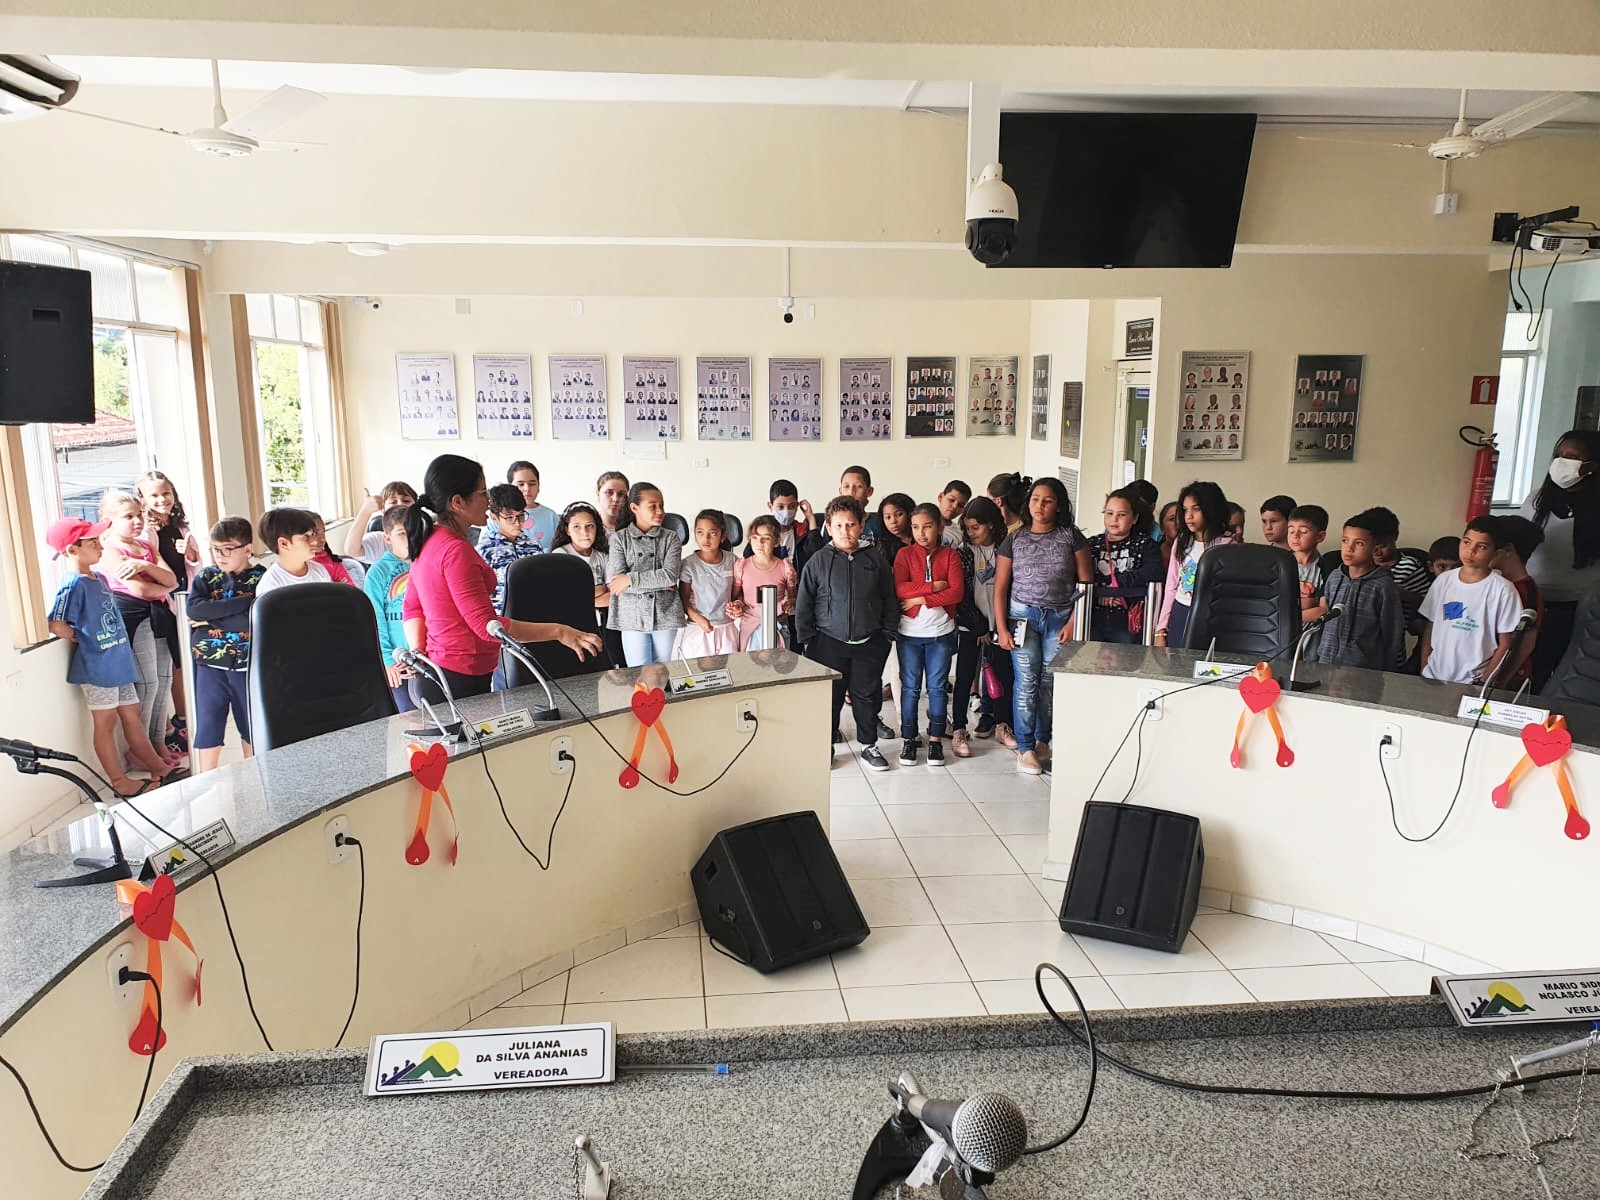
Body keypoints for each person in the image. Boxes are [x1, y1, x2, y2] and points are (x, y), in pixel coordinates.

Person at [402, 454, 600, 703]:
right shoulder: (454, 551)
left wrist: (420, 654)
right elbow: (486, 627)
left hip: (441, 672)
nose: (488, 501)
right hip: (460, 676)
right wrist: (560, 632)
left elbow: (412, 606)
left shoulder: (429, 540)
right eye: (482, 493)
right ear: (458, 502)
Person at [47, 517, 173, 797]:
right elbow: (56, 623)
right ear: (72, 550)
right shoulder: (73, 584)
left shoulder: (100, 577)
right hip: (98, 666)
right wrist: (79, 636)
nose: (98, 545)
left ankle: (158, 768)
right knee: (105, 723)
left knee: (132, 713)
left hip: (118, 661)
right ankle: (119, 782)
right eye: (91, 542)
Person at [994, 478, 1092, 775]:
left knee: (1050, 682)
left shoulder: (1071, 537)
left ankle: (1042, 741)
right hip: (1022, 618)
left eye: (1047, 500)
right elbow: (1000, 587)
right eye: (1035, 499)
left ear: (1059, 504)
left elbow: (1086, 582)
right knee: (1026, 682)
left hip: (1060, 618)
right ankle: (1024, 748)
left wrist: (1075, 621)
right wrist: (1001, 628)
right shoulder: (1015, 538)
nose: (1040, 506)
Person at [796, 496, 897, 772]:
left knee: (866, 696)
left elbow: (889, 599)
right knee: (830, 699)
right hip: (828, 643)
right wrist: (808, 640)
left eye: (851, 524)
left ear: (861, 524)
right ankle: (825, 746)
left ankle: (868, 745)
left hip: (869, 642)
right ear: (828, 526)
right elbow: (804, 604)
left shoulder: (875, 560)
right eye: (839, 525)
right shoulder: (817, 561)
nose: (845, 531)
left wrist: (886, 636)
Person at [96, 491, 180, 765]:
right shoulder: (110, 550)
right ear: (109, 521)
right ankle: (139, 749)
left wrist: (144, 564)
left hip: (159, 615)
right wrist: (161, 583)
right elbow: (139, 589)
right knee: (148, 684)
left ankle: (158, 741)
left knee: (164, 681)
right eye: (128, 517)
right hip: (134, 617)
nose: (136, 521)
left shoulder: (145, 547)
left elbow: (173, 581)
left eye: (139, 515)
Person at [187, 517, 267, 771]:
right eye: (215, 549)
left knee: (249, 725)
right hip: (209, 664)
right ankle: (204, 777)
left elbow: (253, 620)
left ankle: (253, 774)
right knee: (209, 724)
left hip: (247, 666)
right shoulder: (206, 577)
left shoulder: (261, 578)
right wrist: (243, 604)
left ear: (247, 548)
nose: (220, 555)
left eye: (228, 549)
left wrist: (213, 621)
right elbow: (195, 610)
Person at [1523, 430, 1600, 689]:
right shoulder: (1537, 499)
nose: (1562, 462)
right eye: (1559, 456)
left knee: (1566, 676)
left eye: (1573, 457)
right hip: (1534, 601)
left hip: (1579, 607)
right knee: (1531, 669)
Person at [893, 504, 964, 768]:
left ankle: (935, 739)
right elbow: (900, 587)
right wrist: (934, 586)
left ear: (940, 527)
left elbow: (956, 592)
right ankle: (909, 739)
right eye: (915, 527)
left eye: (927, 526)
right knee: (910, 688)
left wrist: (920, 597)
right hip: (909, 634)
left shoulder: (950, 556)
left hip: (941, 633)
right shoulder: (904, 554)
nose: (921, 533)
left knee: (936, 688)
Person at [136, 470, 200, 757]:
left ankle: (183, 720)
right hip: (162, 605)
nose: (162, 499)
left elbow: (192, 569)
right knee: (170, 666)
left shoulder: (181, 529)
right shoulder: (146, 534)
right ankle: (175, 725)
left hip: (181, 601)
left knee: (182, 663)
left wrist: (192, 554)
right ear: (143, 500)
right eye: (154, 495)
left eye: (166, 493)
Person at [1420, 517, 1523, 686]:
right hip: (1434, 675)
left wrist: (1484, 681)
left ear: (1496, 553)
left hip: (1472, 680)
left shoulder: (1503, 589)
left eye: (1481, 547)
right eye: (1466, 542)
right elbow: (1430, 627)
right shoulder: (1443, 581)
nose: (1470, 551)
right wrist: (1424, 667)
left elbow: (1506, 643)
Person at [607, 482, 686, 666]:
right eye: (653, 506)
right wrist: (656, 582)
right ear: (635, 508)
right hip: (631, 616)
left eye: (662, 505)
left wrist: (630, 579)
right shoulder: (619, 539)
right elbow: (616, 583)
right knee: (639, 673)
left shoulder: (671, 537)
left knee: (664, 671)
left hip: (665, 614)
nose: (660, 511)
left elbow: (669, 575)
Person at [1316, 508, 1405, 671]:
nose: (1349, 549)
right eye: (1345, 541)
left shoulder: (1383, 586)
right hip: (1326, 663)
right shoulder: (1335, 577)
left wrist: (1388, 672)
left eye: (1359, 543)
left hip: (1363, 669)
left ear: (1375, 549)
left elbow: (1392, 634)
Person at [960, 497, 1013, 750]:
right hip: (973, 625)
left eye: (976, 528)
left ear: (990, 525)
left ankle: (1002, 723)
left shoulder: (1006, 547)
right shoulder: (965, 552)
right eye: (968, 528)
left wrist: (995, 627)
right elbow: (961, 594)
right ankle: (967, 723)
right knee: (967, 674)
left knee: (1002, 674)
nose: (971, 533)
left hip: (1000, 624)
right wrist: (978, 626)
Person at [1155, 482, 1234, 649]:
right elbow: (1172, 586)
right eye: (1185, 510)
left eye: (1196, 509)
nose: (1189, 516)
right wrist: (1161, 629)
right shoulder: (1182, 541)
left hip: (1213, 615)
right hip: (1181, 611)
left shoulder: (1228, 544)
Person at [1089, 487, 1165, 644]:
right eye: (1109, 513)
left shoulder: (1145, 545)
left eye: (1121, 514)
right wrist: (1102, 594)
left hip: (1128, 621)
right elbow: (1081, 575)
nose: (1114, 519)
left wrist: (1119, 585)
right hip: (1092, 618)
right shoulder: (1091, 544)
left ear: (1135, 518)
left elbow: (1154, 572)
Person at [363, 506, 416, 714]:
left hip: (427, 658)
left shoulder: (425, 563)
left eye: (413, 531)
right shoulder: (377, 573)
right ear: (387, 538)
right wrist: (386, 661)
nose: (409, 538)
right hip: (398, 664)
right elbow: (375, 620)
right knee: (409, 719)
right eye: (402, 533)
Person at [1492, 514, 1546, 690]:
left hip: (1508, 681)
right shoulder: (1496, 584)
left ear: (1507, 550)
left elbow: (1525, 644)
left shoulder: (1526, 592)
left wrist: (1501, 681)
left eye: (1489, 545)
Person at [679, 509, 741, 658]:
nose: (706, 538)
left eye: (712, 533)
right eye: (700, 532)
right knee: (696, 677)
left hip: (727, 628)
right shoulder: (689, 564)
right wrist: (700, 619)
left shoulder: (733, 561)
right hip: (698, 628)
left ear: (723, 535)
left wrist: (738, 604)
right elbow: (683, 600)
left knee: (730, 672)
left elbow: (738, 593)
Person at [475, 483, 542, 614]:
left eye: (521, 516)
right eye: (509, 518)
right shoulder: (484, 551)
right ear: (495, 518)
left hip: (533, 617)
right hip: (500, 619)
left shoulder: (534, 546)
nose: (517, 523)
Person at [734, 515, 797, 650]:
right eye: (755, 537)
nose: (759, 543)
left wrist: (788, 603)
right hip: (750, 627)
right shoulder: (742, 566)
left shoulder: (785, 567)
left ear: (776, 541)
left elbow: (793, 597)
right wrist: (737, 605)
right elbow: (736, 596)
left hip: (777, 627)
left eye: (766, 538)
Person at [552, 502, 611, 637]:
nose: (584, 532)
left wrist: (582, 597)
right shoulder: (560, 555)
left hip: (602, 623)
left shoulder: (603, 556)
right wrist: (600, 589)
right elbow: (565, 598)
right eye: (577, 527)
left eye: (589, 526)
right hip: (570, 625)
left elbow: (614, 596)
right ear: (567, 530)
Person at [256, 508, 332, 596]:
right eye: (305, 537)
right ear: (284, 543)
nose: (314, 541)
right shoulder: (270, 585)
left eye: (313, 534)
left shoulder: (319, 571)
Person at [744, 478, 810, 562]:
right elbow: (748, 556)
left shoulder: (802, 531)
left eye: (791, 506)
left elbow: (815, 554)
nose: (786, 512)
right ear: (770, 506)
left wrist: (810, 518)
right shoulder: (763, 529)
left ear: (797, 506)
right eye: (780, 507)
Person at [346, 481, 418, 557]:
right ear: (383, 510)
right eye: (393, 502)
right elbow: (351, 550)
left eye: (406, 501)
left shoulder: (427, 531)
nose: (400, 504)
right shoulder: (379, 541)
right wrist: (365, 511)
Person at [1287, 505, 1330, 629]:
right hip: (1280, 635)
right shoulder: (1280, 565)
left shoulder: (1326, 568)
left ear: (1320, 536)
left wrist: (1289, 616)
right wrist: (1310, 604)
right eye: (1291, 531)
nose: (1295, 535)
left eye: (1303, 531)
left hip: (1311, 636)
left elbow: (1323, 610)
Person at [507, 460, 559, 550]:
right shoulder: (500, 517)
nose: (527, 489)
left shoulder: (552, 516)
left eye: (532, 484)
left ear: (539, 486)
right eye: (521, 484)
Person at [309, 513, 359, 588]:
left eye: (323, 532)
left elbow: (350, 591)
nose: (322, 538)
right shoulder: (294, 565)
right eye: (314, 533)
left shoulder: (332, 562)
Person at [875, 493, 915, 570]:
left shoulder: (921, 537)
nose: (893, 521)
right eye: (888, 517)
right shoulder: (883, 545)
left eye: (899, 514)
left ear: (910, 514)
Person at [937, 479, 972, 547]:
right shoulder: (921, 524)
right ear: (940, 497)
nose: (954, 506)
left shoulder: (959, 533)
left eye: (960, 505)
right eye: (951, 500)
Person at [595, 471, 631, 535]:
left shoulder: (635, 527)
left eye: (621, 494)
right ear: (598, 494)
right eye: (609, 493)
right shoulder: (588, 527)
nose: (615, 499)